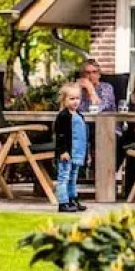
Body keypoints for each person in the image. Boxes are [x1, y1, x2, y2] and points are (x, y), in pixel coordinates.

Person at [52, 83, 88, 213]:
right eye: (72, 99)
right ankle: (63, 202)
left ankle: (73, 199)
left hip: (77, 153)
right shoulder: (64, 116)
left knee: (73, 177)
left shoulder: (79, 115)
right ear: (64, 100)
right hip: (67, 153)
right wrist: (63, 151)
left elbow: (82, 136)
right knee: (64, 177)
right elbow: (60, 135)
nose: (75, 101)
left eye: (77, 98)